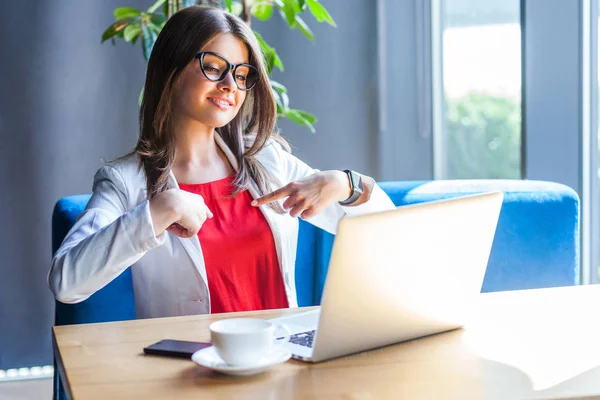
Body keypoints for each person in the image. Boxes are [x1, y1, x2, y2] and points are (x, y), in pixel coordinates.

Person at [48, 6, 396, 318]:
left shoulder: (268, 162)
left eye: (242, 75)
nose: (231, 85)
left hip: (280, 364)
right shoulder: (125, 180)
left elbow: (390, 231)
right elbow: (66, 282)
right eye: (213, 68)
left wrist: (346, 185)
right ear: (170, 71)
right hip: (187, 376)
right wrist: (158, 211)